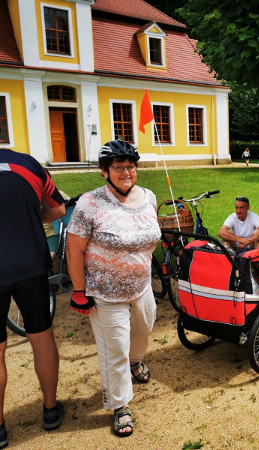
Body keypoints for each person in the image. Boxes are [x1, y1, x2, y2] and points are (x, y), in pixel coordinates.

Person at [66, 140, 161, 437]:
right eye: (118, 167)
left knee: (144, 330)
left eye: (130, 166)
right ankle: (120, 405)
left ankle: (136, 362)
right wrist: (79, 291)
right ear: (104, 171)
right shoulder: (90, 203)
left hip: (142, 286)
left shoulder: (148, 197)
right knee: (114, 349)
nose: (126, 172)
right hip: (105, 292)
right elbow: (74, 249)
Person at [0, 148, 66, 447]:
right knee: (42, 338)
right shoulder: (26, 163)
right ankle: (50, 409)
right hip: (30, 264)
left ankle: (0, 429)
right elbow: (58, 209)